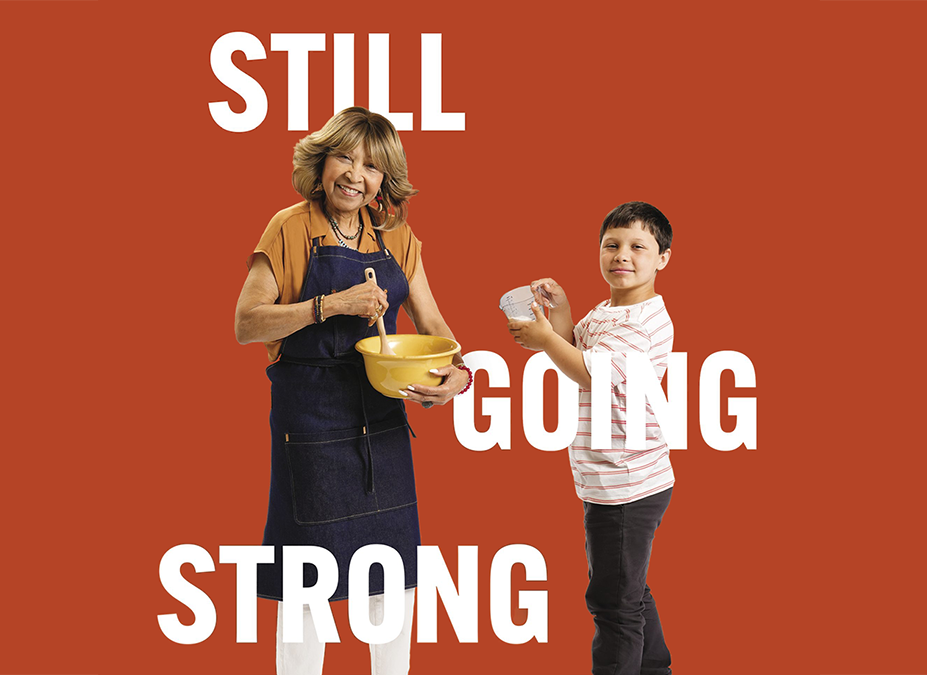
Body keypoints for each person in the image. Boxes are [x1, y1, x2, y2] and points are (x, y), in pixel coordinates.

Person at [234, 107, 471, 675]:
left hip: (382, 424)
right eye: (345, 157)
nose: (355, 175)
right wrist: (332, 305)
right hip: (310, 422)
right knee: (306, 579)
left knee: (392, 576)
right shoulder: (290, 227)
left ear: (384, 179)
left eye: (371, 166)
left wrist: (459, 377)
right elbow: (246, 323)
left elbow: (435, 327)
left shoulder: (396, 236)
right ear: (322, 163)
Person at [507, 201, 677, 675]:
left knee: (613, 601)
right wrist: (560, 313)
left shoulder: (641, 323)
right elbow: (577, 348)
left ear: (662, 258)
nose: (622, 255)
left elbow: (591, 374)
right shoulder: (609, 311)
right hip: (614, 478)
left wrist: (544, 340)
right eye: (611, 245)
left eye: (638, 247)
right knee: (627, 588)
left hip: (625, 483)